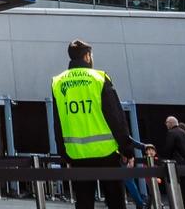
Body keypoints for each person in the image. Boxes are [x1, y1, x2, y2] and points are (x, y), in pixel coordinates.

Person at [51, 39, 134, 209]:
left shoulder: (57, 82)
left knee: (84, 203)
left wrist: (63, 154)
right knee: (115, 201)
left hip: (77, 155)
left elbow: (58, 121)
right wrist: (127, 148)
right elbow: (116, 116)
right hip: (107, 153)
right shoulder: (100, 78)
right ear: (87, 56)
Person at [159, 116, 185, 209]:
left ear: (170, 123)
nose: (166, 125)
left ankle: (184, 206)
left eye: (166, 123)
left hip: (179, 165)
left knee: (182, 188)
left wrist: (163, 158)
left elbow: (168, 148)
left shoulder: (171, 133)